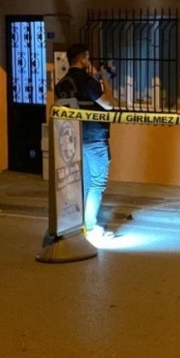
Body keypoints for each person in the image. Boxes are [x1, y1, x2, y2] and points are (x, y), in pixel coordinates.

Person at [54, 44, 117, 241]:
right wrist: (105, 80)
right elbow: (109, 105)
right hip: (95, 136)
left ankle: (80, 223)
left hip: (74, 139)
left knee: (86, 181)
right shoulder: (87, 82)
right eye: (87, 57)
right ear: (82, 59)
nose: (89, 61)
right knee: (98, 182)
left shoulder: (62, 84)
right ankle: (90, 226)